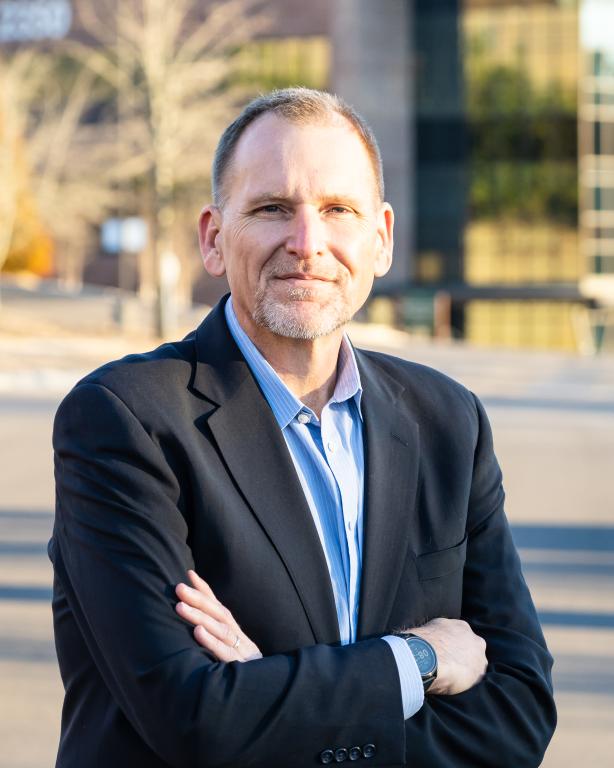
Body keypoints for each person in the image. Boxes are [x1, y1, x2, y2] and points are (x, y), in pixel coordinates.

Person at [49, 88, 556, 768]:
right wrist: (416, 659)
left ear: (380, 239)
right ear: (212, 237)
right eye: (272, 209)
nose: (307, 243)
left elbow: (520, 716)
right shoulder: (124, 420)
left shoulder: (446, 421)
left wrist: (270, 692)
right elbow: (193, 719)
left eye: (337, 210)